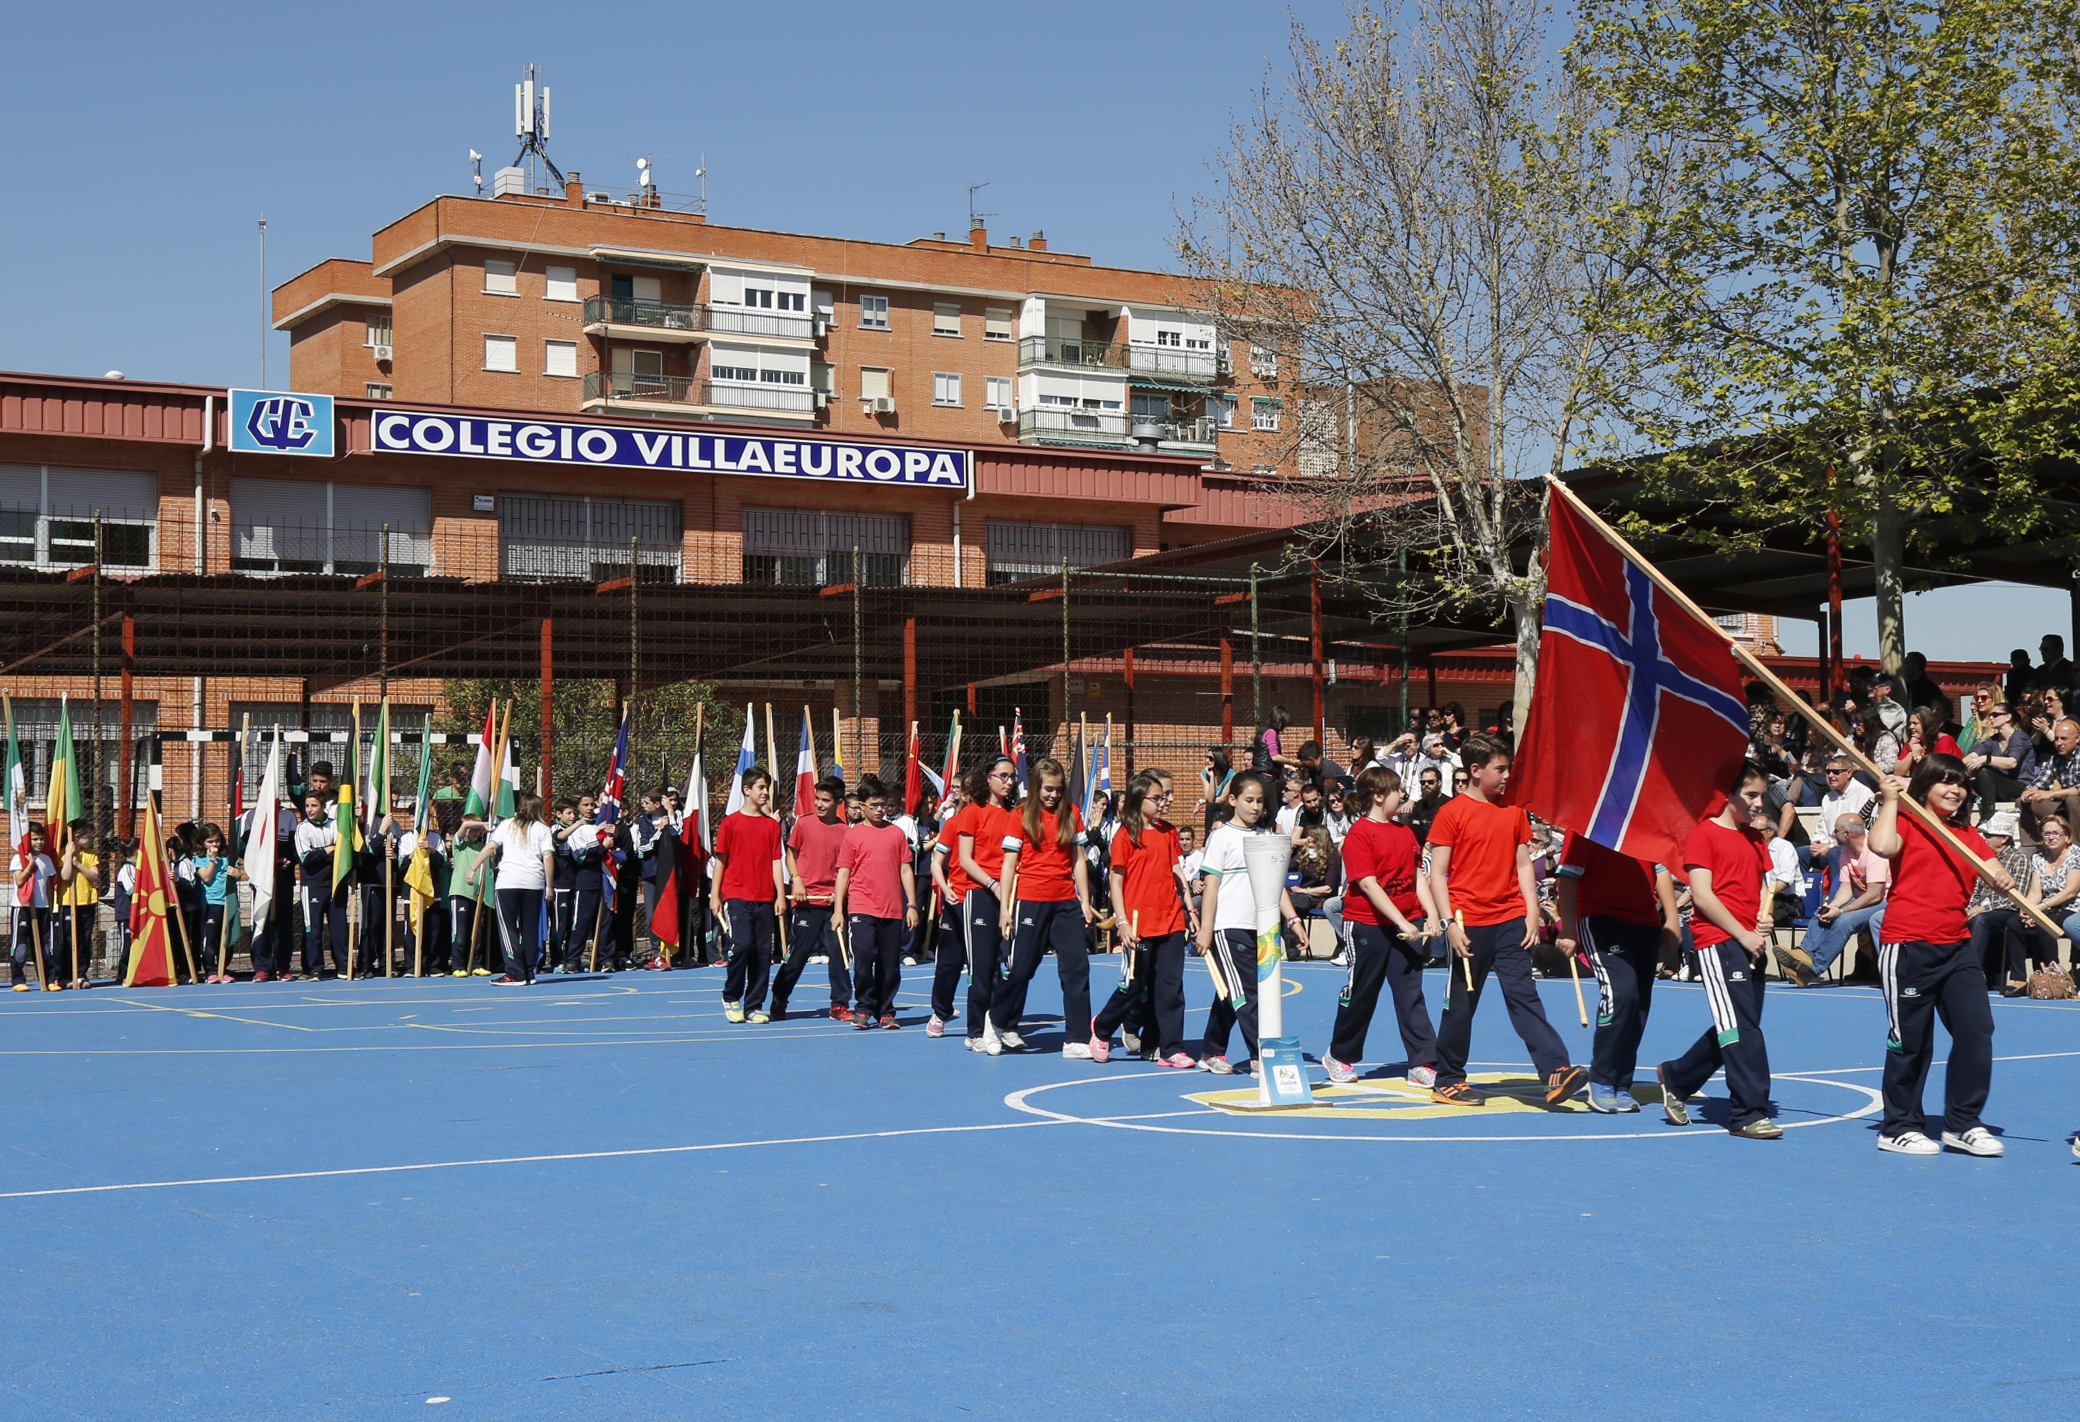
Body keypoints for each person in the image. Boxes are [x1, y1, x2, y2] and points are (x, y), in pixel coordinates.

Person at [1425, 733, 1585, 1107]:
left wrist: (1531, 912)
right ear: (1475, 770)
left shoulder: (1514, 810)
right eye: (1500, 769)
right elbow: (1437, 874)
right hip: (1467, 922)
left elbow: (1523, 864)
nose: (1507, 775)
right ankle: (1448, 1079)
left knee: (1524, 995)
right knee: (1461, 1003)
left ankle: (1555, 1069)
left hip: (1510, 919)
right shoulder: (1451, 813)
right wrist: (1449, 924)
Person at [1865, 756, 2007, 1157]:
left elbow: (1994, 871)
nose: (1955, 790)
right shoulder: (1905, 822)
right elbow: (1881, 846)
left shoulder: (1968, 835)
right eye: (1945, 781)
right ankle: (1898, 1126)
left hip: (1957, 946)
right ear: (1925, 785)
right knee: (1911, 1041)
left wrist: (2002, 878)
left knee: (1976, 1030)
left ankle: (1962, 1123)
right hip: (1908, 945)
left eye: (1960, 783)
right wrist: (1891, 799)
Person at [1656, 763, 1781, 1139]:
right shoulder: (1703, 835)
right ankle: (1747, 1112)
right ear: (1727, 794)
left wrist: (1763, 919)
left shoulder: (1755, 838)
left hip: (1750, 941)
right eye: (1751, 795)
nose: (1758, 803)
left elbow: (1763, 887)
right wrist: (1742, 933)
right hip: (1719, 941)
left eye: (1762, 795)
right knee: (1740, 1028)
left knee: (1740, 1023)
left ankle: (1677, 1076)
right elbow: (1703, 895)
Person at [1322, 766, 1437, 1088]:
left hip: (1408, 923)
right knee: (1362, 992)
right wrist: (1401, 921)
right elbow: (1368, 884)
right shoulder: (1359, 834)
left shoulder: (1405, 833)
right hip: (1367, 925)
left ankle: (1421, 1061)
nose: (1403, 795)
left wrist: (1430, 913)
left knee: (1410, 994)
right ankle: (1339, 1054)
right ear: (1378, 795)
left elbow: (1417, 876)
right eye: (1397, 790)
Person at [1555, 832, 1680, 1114]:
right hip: (1601, 919)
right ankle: (1602, 1078)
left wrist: (1671, 919)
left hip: (1645, 922)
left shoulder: (1646, 823)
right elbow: (1568, 877)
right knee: (1621, 994)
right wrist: (1568, 927)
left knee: (1639, 1004)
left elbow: (1660, 869)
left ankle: (1622, 1082)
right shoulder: (1587, 828)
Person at [1194, 771, 1302, 1075]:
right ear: (1233, 800)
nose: (1255, 807)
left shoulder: (1265, 838)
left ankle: (1211, 1051)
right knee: (1248, 993)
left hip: (1262, 928)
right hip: (1229, 927)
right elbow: (1211, 886)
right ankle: (1263, 1054)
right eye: (1249, 800)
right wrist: (1206, 929)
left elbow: (1276, 885)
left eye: (1260, 801)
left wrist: (1293, 919)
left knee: (1233, 991)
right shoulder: (1221, 837)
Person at [994, 757, 1098, 1056]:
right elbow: (1009, 864)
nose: (1053, 795)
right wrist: (1005, 909)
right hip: (1031, 900)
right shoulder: (1020, 816)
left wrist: (1085, 901)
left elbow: (1078, 860)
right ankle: (997, 1019)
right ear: (1037, 786)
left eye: (1058, 789)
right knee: (1021, 969)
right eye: (1048, 789)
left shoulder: (1072, 814)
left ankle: (1077, 1039)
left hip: (1065, 902)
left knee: (1077, 969)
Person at [1092, 771, 1193, 1067]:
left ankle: (1171, 1048)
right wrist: (1122, 921)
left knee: (1171, 988)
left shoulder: (1169, 832)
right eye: (1157, 798)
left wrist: (1190, 909)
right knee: (1134, 986)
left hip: (1171, 920)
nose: (1163, 802)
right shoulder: (1125, 836)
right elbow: (1115, 881)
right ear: (1139, 800)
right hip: (1138, 924)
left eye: (1164, 797)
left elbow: (1176, 872)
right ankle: (1101, 1028)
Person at [833, 774, 917, 1031]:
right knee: (864, 957)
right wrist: (838, 911)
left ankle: (886, 1011)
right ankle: (864, 1007)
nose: (880, 810)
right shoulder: (853, 835)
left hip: (892, 909)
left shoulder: (896, 834)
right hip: (862, 906)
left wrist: (912, 905)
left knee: (889, 965)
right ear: (862, 806)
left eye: (884, 804)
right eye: (874, 805)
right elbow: (843, 873)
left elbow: (905, 869)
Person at [947, 756, 1020, 1052]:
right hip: (980, 894)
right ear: (988, 778)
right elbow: (965, 860)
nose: (1008, 782)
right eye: (1003, 776)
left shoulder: (1015, 814)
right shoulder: (972, 812)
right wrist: (992, 884)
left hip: (1010, 895)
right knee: (982, 965)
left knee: (1011, 964)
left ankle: (1003, 1024)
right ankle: (975, 1030)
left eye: (1012, 777)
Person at [776, 776, 855, 1022]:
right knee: (799, 952)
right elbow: (791, 855)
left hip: (832, 905)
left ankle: (839, 1004)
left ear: (838, 803)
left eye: (826, 800)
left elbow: (847, 870)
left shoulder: (846, 832)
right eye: (817, 799)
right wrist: (797, 879)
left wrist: (839, 896)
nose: (819, 804)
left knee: (838, 953)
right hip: (806, 903)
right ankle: (780, 997)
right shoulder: (803, 824)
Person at [1778, 812, 1889, 987]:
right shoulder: (1846, 851)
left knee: (1844, 921)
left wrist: (1842, 910)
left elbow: (1874, 894)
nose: (1832, 834)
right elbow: (1846, 888)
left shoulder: (1874, 851)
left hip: (1885, 901)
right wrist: (1833, 906)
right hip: (1866, 900)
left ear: (1848, 833)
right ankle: (1803, 954)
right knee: (1822, 913)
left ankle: (1812, 970)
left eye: (1836, 831)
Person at [711, 767, 786, 1023]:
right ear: (747, 790)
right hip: (737, 895)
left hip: (764, 897)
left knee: (762, 954)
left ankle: (753, 1005)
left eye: (767, 788)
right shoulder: (730, 823)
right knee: (741, 946)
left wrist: (780, 895)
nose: (765, 792)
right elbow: (721, 861)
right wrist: (714, 895)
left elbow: (776, 862)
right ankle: (731, 996)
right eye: (761, 787)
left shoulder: (771, 825)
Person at [480, 793, 555, 985]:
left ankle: (514, 973)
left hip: (508, 882)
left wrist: (473, 868)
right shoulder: (543, 829)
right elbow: (547, 857)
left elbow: (490, 847)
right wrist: (549, 885)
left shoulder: (507, 825)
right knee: (530, 928)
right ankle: (529, 972)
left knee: (508, 927)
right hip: (533, 882)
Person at [1970, 812, 2040, 994]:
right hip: (1983, 909)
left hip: (2006, 909)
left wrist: (1983, 908)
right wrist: (1970, 908)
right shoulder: (1983, 859)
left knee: (1981, 919)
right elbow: (1975, 891)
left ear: (2004, 838)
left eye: (1988, 835)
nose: (1984, 838)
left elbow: (2016, 896)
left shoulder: (2019, 859)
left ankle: (1971, 973)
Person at [1961, 701, 2034, 820]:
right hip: (2000, 787)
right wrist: (1956, 768)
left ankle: (1987, 817)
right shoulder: (1993, 740)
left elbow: (2012, 762)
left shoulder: (2020, 737)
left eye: (1995, 715)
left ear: (2008, 717)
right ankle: (1964, 820)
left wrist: (1986, 759)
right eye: (1990, 715)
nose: (1991, 718)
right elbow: (1973, 755)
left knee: (1984, 770)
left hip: (2021, 786)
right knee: (1967, 776)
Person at [54, 818, 102, 988]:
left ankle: (81, 974)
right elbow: (65, 876)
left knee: (84, 939)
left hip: (86, 901)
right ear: (77, 836)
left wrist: (78, 865)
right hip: (68, 902)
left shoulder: (90, 854)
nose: (91, 840)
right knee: (68, 940)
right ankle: (66, 974)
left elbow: (95, 876)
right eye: (89, 836)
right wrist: (69, 857)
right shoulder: (62, 854)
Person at [194, 825, 243, 984]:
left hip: (227, 901)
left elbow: (239, 875)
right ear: (203, 842)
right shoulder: (200, 858)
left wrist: (237, 875)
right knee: (210, 938)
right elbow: (206, 878)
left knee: (226, 939)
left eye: (217, 841)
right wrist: (213, 860)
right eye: (210, 842)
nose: (214, 845)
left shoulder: (227, 856)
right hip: (210, 902)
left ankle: (223, 968)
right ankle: (210, 970)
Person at [10, 823, 54, 990]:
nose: (39, 842)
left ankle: (48, 979)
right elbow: (19, 880)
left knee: (44, 946)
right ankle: (18, 980)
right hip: (22, 907)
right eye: (35, 839)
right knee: (21, 946)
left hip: (42, 907)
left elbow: (48, 885)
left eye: (41, 839)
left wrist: (50, 906)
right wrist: (29, 865)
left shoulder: (46, 859)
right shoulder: (19, 858)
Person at [2019, 716, 2080, 835]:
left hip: (2074, 804)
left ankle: (2076, 843)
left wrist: (2051, 793)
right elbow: (2039, 782)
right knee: (2023, 802)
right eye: (2056, 739)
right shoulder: (2055, 759)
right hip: (2066, 808)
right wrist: (2029, 792)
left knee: (2072, 800)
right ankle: (2037, 842)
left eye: (2064, 739)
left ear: (2077, 739)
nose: (2059, 743)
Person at [447, 818, 491, 977]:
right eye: (473, 829)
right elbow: (465, 824)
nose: (475, 833)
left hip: (477, 895)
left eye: (478, 830)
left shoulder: (482, 847)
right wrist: (483, 824)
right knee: (460, 933)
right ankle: (458, 965)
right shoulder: (459, 845)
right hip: (460, 892)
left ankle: (476, 964)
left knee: (477, 932)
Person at [1817, 755, 1875, 830]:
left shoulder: (1864, 794)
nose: (1830, 775)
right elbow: (1821, 830)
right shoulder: (1827, 798)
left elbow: (1864, 829)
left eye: (1836, 772)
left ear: (1849, 773)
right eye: (1828, 772)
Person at [1251, 706, 1296, 776]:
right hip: (1266, 773)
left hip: (1260, 771)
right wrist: (1293, 762)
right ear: (1280, 721)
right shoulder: (1271, 732)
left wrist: (1288, 766)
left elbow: (1268, 758)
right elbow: (1275, 757)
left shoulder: (1263, 729)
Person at [1407, 766, 1446, 843]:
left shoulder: (1448, 804)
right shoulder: (1419, 805)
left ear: (1439, 783)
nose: (1426, 784)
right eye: (1423, 782)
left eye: (1430, 782)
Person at [1900, 652, 1945, 716]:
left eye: (1906, 663)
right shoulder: (1906, 687)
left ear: (1915, 666)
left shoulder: (1930, 690)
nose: (1903, 667)